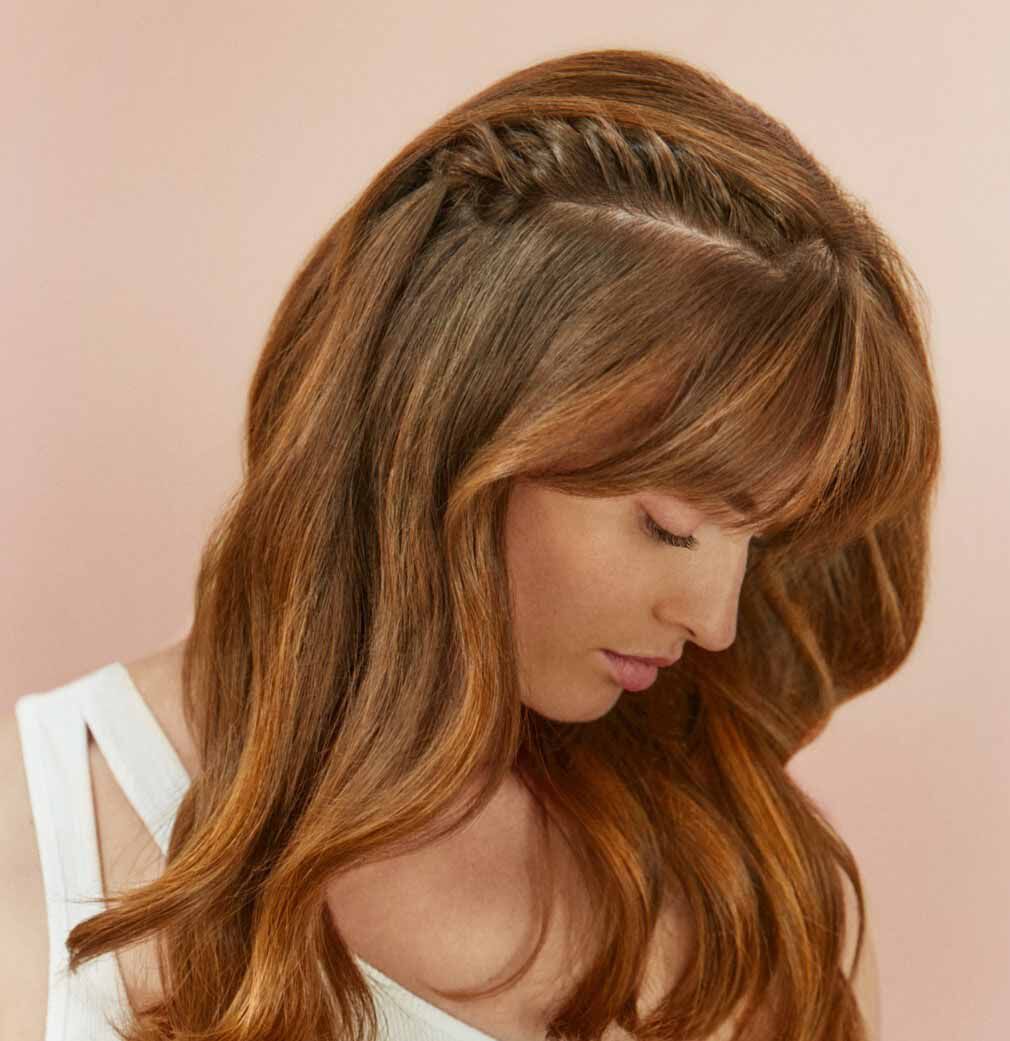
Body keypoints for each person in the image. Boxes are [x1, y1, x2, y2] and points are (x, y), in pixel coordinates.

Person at [2, 46, 938, 1041]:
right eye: (668, 525)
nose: (715, 622)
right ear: (441, 437)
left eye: (759, 534)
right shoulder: (47, 839)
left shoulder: (763, 905)